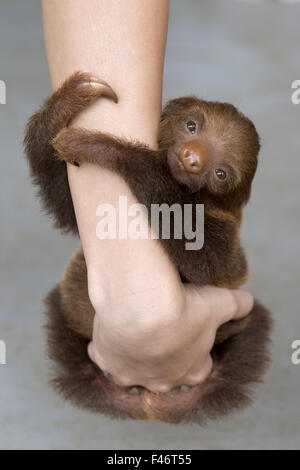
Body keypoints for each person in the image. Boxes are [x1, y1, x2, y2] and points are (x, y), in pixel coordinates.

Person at [42, 0, 253, 393]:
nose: (195, 157)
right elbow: (67, 203)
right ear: (171, 116)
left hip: (199, 359)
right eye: (192, 126)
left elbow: (179, 223)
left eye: (220, 173)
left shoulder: (214, 233)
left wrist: (118, 154)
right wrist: (54, 118)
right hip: (95, 342)